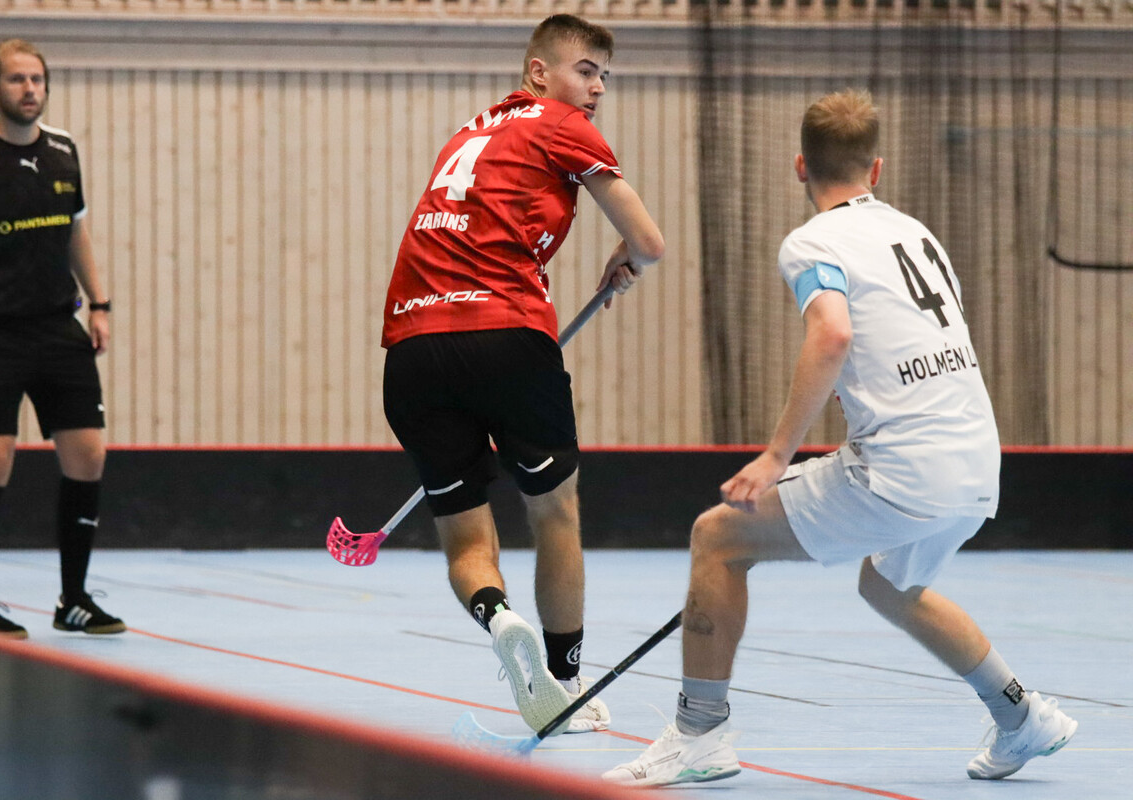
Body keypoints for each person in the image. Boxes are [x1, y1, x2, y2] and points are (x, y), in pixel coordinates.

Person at [605, 89, 1076, 786]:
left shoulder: (813, 242)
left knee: (718, 538)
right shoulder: (916, 233)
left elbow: (832, 334)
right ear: (876, 170)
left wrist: (776, 457)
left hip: (904, 471)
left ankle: (699, 734)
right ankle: (1021, 715)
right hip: (977, 461)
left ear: (800, 166)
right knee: (889, 585)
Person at [381, 15, 664, 735]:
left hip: (411, 351)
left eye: (604, 76)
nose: (597, 88)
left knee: (466, 541)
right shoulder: (563, 124)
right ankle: (567, 683)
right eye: (585, 70)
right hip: (506, 337)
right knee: (554, 511)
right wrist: (627, 257)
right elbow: (650, 241)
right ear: (539, 72)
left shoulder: (467, 134)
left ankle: (499, 617)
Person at [0, 39, 125, 639]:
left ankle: (74, 600)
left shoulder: (64, 152)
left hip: (59, 326)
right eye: (17, 79)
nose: (29, 89)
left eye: (37, 79)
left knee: (88, 455)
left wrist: (98, 304)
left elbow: (76, 232)